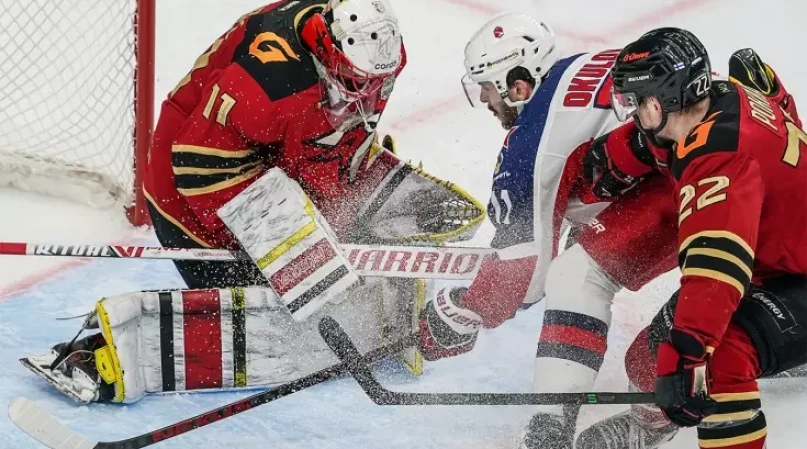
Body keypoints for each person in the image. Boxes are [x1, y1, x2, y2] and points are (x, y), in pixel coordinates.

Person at [19, 0, 486, 406]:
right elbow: (197, 168)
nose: (371, 96)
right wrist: (282, 253)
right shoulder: (267, 84)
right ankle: (104, 355)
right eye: (358, 83)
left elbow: (326, 126)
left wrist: (349, 196)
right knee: (294, 303)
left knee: (324, 267)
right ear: (329, 50)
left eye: (379, 83)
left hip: (265, 151)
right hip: (188, 183)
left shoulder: (360, 49)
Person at [414, 13, 681, 449]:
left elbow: (526, 274)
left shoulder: (533, 144)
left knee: (577, 276)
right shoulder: (583, 64)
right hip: (746, 152)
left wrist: (465, 310)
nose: (483, 98)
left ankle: (552, 425)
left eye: (487, 86)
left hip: (692, 183)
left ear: (518, 85)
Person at [577, 28, 807, 449]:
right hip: (782, 266)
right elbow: (776, 102)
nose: (633, 115)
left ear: (662, 101)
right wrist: (621, 153)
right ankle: (652, 423)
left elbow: (716, 266)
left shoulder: (718, 156)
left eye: (636, 103)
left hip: (792, 278)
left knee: (715, 358)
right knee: (648, 357)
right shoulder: (723, 97)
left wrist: (689, 352)